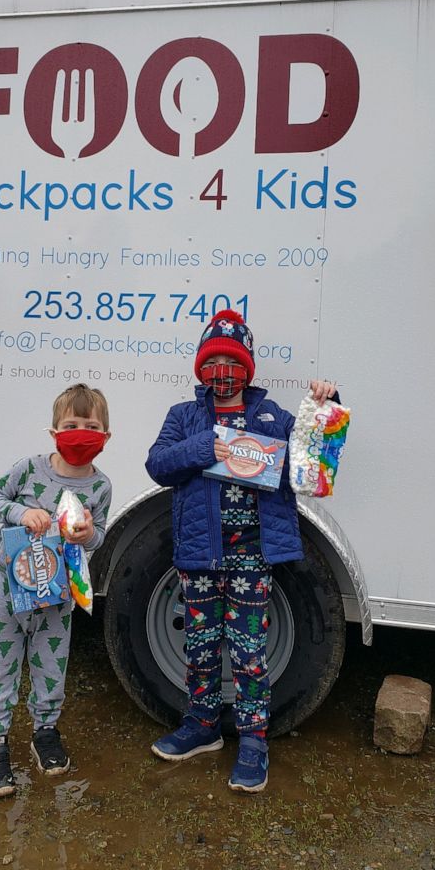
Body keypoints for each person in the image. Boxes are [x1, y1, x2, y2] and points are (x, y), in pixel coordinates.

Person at [145, 310, 338, 793]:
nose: (223, 371)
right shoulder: (184, 417)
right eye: (213, 362)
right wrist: (208, 446)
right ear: (201, 368)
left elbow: (311, 465)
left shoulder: (272, 417)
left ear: (247, 367)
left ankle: (254, 740)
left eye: (232, 362)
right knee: (201, 647)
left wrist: (326, 406)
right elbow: (157, 464)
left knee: (251, 654)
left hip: (253, 557)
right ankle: (201, 725)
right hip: (199, 557)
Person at [0, 383, 112, 798]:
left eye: (91, 425)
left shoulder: (100, 486)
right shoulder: (30, 469)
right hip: (8, 590)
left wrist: (88, 535)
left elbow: (99, 536)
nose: (80, 431)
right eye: (71, 424)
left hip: (57, 597)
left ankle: (45, 732)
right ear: (54, 432)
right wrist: (22, 511)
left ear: (106, 436)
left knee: (52, 664)